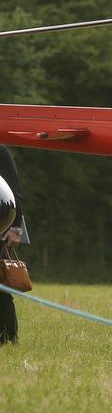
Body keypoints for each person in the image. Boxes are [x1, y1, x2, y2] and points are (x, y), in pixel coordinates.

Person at [0, 145, 25, 345]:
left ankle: (7, 338)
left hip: (0, 226)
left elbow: (14, 192)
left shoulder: (1, 152)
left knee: (1, 289)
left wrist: (16, 228)